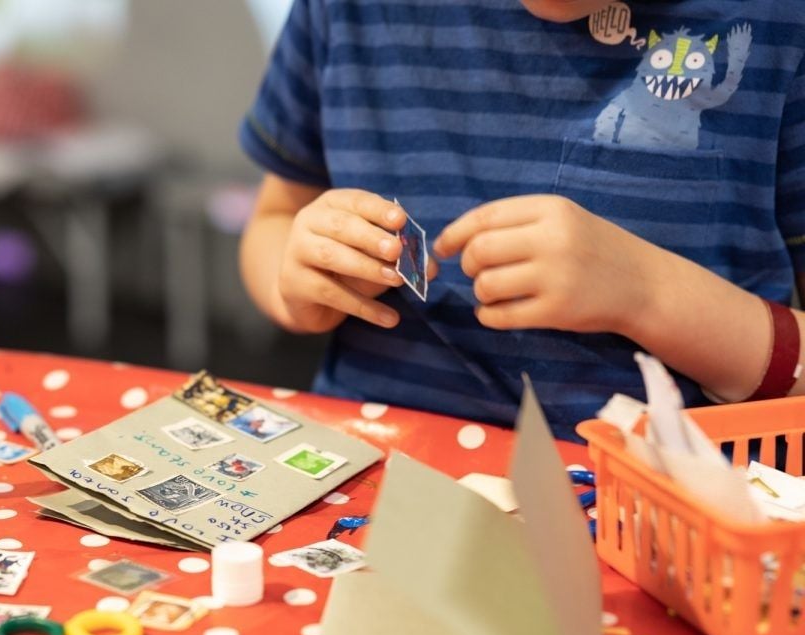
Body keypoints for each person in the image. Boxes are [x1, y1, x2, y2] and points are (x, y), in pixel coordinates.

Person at [238, 0, 805, 440]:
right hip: (371, 467)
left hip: (665, 513)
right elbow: (276, 215)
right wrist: (297, 281)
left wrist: (648, 293)